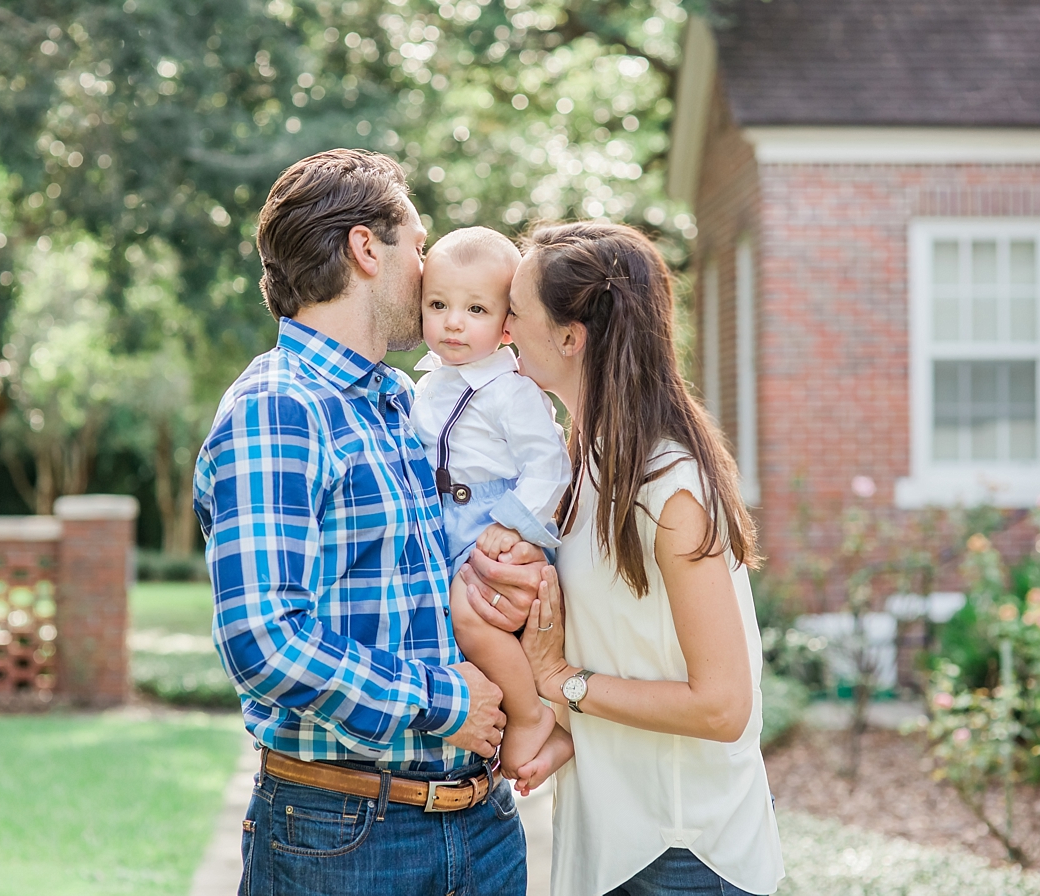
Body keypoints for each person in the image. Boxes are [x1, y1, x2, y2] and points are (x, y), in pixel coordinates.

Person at [193, 149, 536, 895]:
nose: (429, 266)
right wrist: (443, 701)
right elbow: (263, 640)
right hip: (344, 839)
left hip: (481, 824)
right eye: (419, 244)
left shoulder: (400, 402)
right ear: (365, 248)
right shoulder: (279, 407)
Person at [459, 221, 785, 895]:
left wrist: (563, 680)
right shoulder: (582, 467)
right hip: (607, 842)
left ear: (570, 337)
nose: (503, 330)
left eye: (515, 312)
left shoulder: (669, 488)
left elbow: (723, 707)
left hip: (682, 853)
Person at [411, 225, 574, 789]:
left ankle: (531, 715)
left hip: (490, 521)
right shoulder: (426, 384)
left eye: (475, 309)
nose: (453, 322)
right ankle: (521, 715)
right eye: (438, 305)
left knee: (470, 613)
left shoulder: (511, 390)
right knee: (453, 626)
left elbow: (549, 465)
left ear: (507, 326)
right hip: (444, 523)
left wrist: (514, 524)